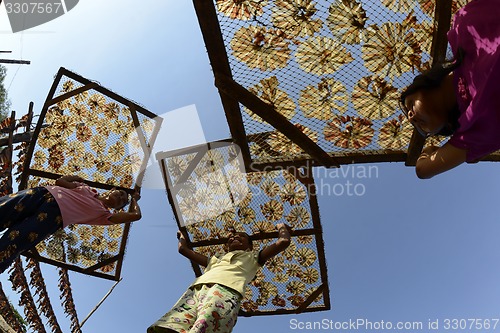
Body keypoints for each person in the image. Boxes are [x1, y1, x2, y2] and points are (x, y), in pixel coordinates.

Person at [400, 0, 500, 178]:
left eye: (407, 104)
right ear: (445, 126)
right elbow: (423, 170)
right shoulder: (473, 129)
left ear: (420, 83)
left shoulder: (463, 27)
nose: (410, 117)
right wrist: (432, 149)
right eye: (420, 129)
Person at [147, 223, 292, 333]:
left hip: (226, 291)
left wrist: (282, 227)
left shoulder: (254, 257)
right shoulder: (215, 260)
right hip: (197, 289)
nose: (234, 237)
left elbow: (283, 242)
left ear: (250, 246)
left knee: (207, 325)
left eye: (241, 236)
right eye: (231, 238)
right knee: (172, 325)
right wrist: (182, 236)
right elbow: (183, 250)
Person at [0, 174, 142, 273]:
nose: (120, 197)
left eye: (123, 201)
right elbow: (60, 182)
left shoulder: (105, 215)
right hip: (43, 194)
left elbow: (136, 215)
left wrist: (134, 199)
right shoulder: (87, 188)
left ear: (118, 208)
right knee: (4, 209)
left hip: (53, 218)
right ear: (113, 190)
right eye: (121, 193)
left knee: (15, 242)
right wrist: (76, 178)